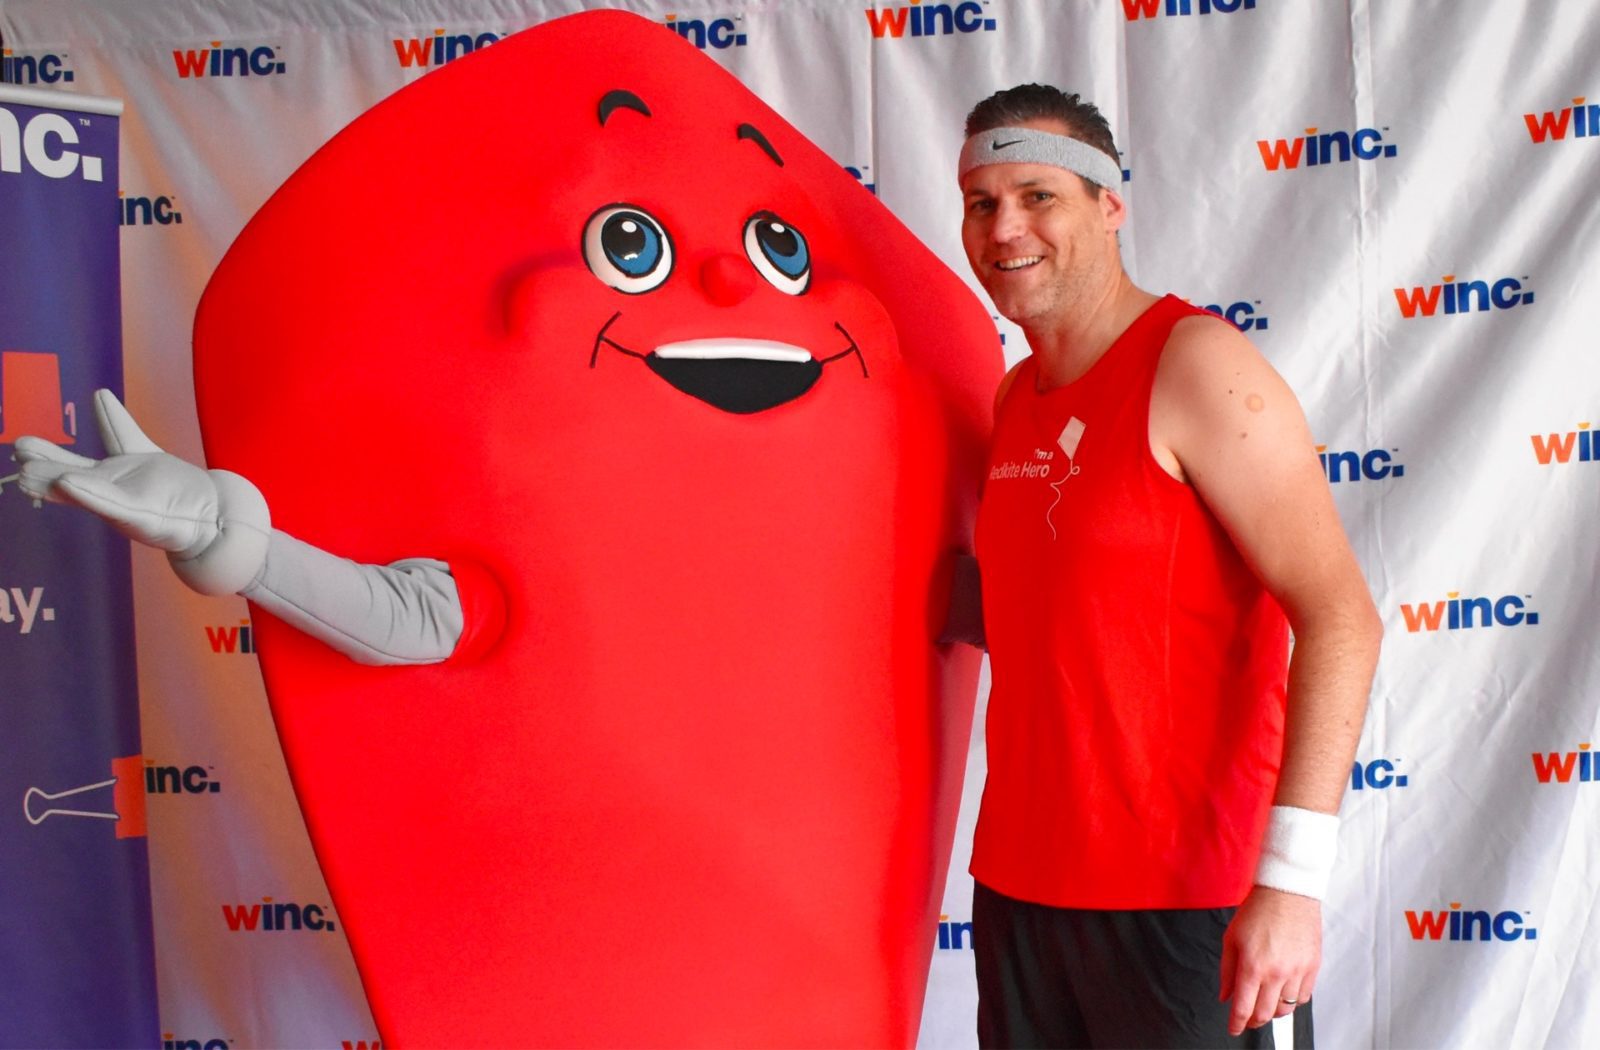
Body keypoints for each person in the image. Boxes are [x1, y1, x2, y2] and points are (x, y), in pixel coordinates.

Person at [957, 84, 1382, 1049]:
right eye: (982, 202)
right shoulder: (1015, 396)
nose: (1004, 226)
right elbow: (1063, 615)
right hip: (1021, 897)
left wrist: (1292, 882)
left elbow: (1342, 617)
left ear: (1110, 206)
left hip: (1193, 909)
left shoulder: (1197, 366)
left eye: (1038, 195)